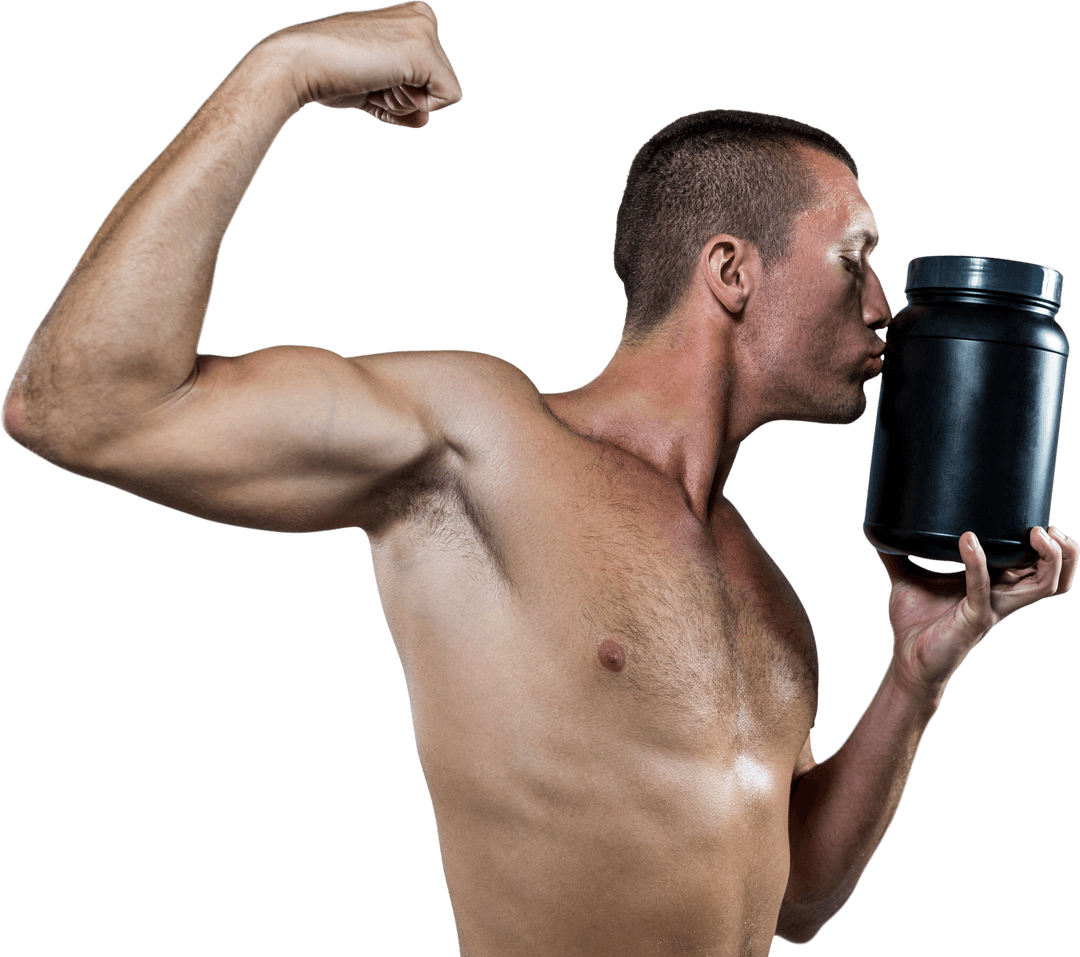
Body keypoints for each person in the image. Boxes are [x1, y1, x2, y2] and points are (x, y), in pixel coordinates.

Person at [3, 3, 1075, 954]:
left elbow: (795, 899)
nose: (882, 306)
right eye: (854, 258)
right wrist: (281, 68)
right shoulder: (480, 444)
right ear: (731, 271)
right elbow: (79, 407)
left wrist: (914, 677)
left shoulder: (771, 593)